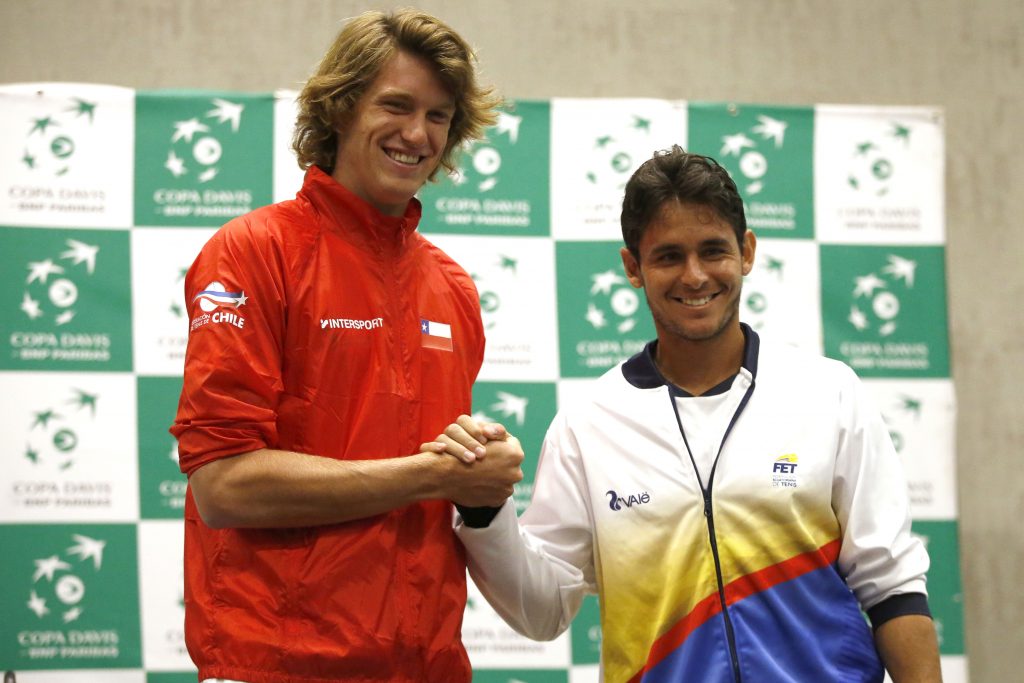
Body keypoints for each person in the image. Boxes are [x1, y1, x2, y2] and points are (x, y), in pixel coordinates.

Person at [432, 147, 942, 682]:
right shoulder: (589, 422)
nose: (695, 277)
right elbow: (542, 612)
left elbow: (893, 588)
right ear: (633, 268)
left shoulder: (828, 392)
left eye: (713, 251)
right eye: (669, 256)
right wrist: (486, 511)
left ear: (746, 252)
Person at [169, 9, 522, 683]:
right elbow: (223, 486)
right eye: (396, 105)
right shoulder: (251, 253)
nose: (418, 134)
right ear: (338, 107)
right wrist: (433, 474)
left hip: (429, 668)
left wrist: (480, 467)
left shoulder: (451, 286)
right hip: (276, 669)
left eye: (439, 117)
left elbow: (444, 478)